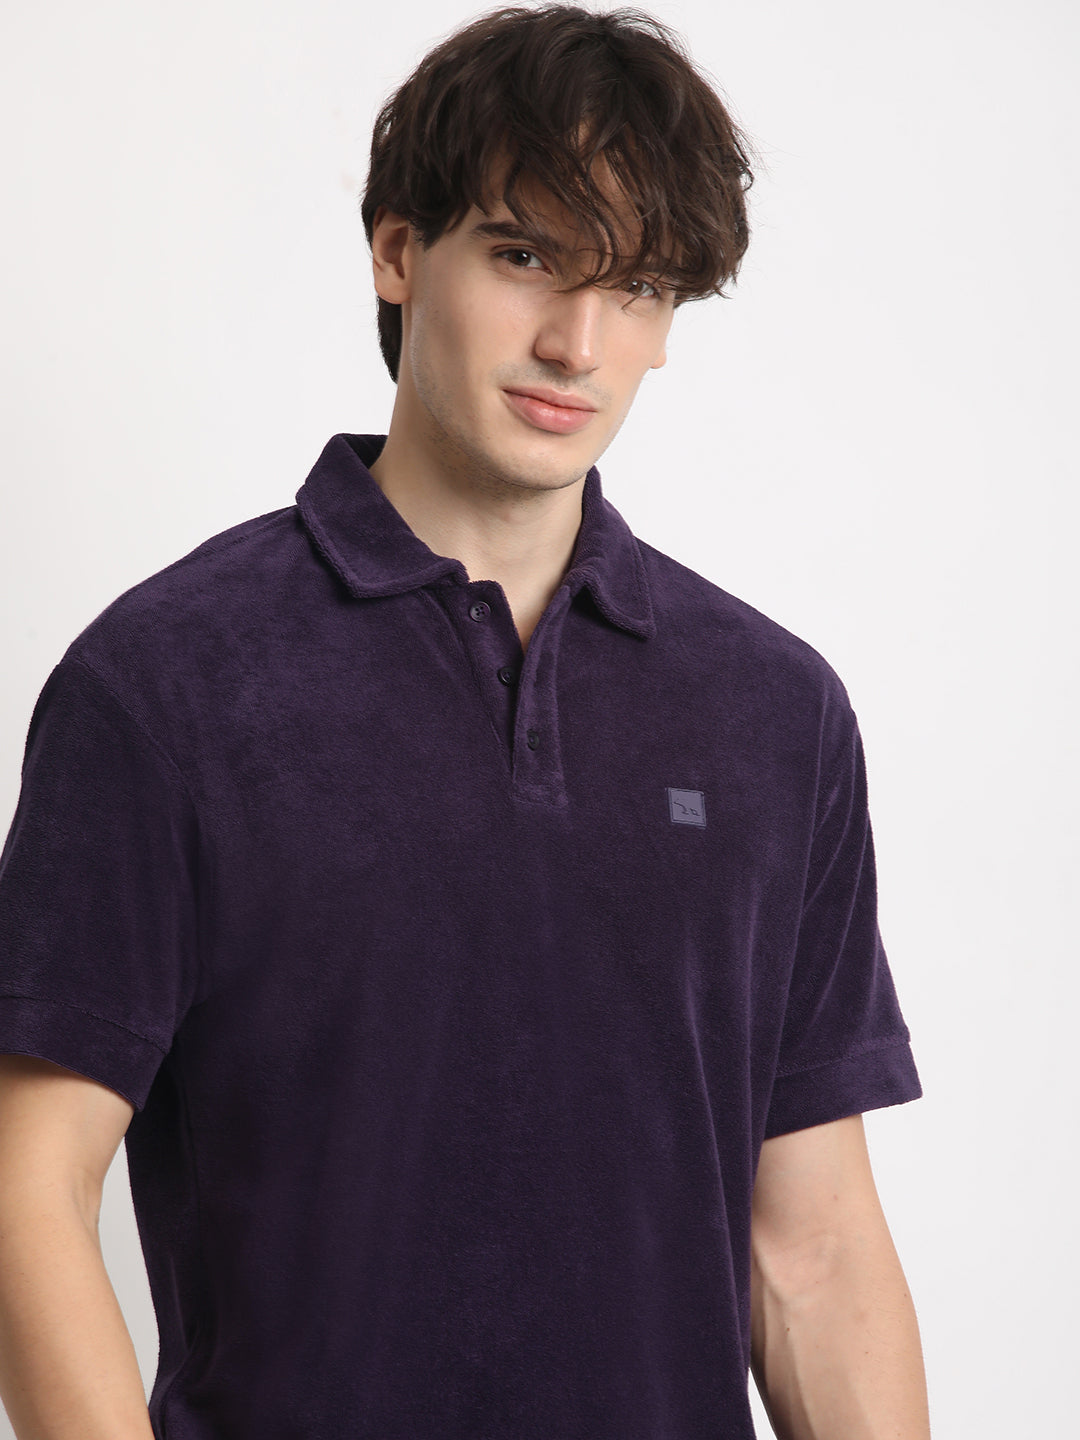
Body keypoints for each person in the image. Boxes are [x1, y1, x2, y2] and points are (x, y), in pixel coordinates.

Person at [0, 5, 930, 1437]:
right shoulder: (169, 685)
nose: (576, 343)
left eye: (638, 288)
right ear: (397, 252)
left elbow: (810, 1247)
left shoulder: (773, 712)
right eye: (525, 256)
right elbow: (29, 1182)